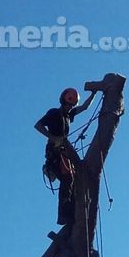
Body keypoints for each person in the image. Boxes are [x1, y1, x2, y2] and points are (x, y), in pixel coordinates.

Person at [34, 87, 97, 225]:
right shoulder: (54, 113)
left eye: (72, 105)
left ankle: (73, 208)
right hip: (54, 152)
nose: (70, 107)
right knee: (67, 179)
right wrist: (52, 137)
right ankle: (64, 214)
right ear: (63, 101)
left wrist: (94, 93)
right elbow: (38, 125)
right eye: (68, 104)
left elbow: (85, 107)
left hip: (64, 152)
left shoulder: (68, 115)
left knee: (74, 179)